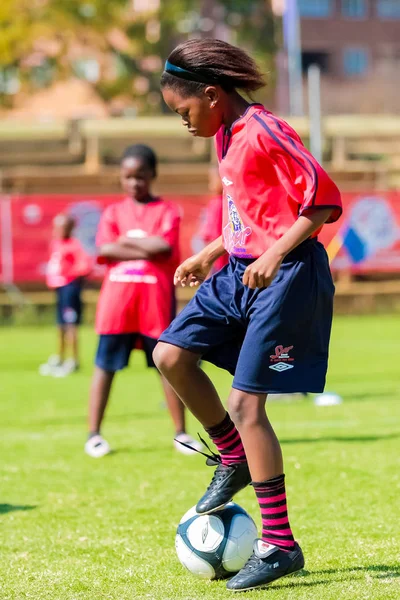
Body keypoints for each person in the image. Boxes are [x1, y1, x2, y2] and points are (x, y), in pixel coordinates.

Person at [153, 39, 342, 591]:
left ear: (212, 95)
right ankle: (232, 459)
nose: (185, 124)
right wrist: (210, 252)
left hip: (284, 276)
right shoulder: (225, 133)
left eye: (185, 112)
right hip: (236, 272)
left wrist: (273, 253)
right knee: (170, 354)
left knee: (246, 404)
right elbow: (253, 212)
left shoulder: (264, 129)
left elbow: (322, 202)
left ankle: (281, 545)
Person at [85, 144, 203, 458]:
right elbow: (105, 250)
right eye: (128, 177)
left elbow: (163, 247)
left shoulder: (166, 211)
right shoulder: (112, 212)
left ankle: (181, 433)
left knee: (168, 368)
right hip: (116, 307)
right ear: (121, 179)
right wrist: (141, 246)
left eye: (140, 176)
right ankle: (94, 434)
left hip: (155, 304)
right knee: (105, 367)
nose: (134, 183)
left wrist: (124, 241)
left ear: (152, 175)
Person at [40, 213, 91, 377]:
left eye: (60, 226)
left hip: (70, 289)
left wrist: (68, 275)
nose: (57, 230)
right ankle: (60, 358)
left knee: (71, 325)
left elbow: (85, 266)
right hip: (60, 289)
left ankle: (73, 360)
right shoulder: (55, 244)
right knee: (60, 325)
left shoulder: (74, 245)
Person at [194, 166, 228, 274]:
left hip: (217, 259)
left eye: (213, 180)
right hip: (222, 259)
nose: (210, 185)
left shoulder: (218, 204)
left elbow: (210, 235)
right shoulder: (219, 203)